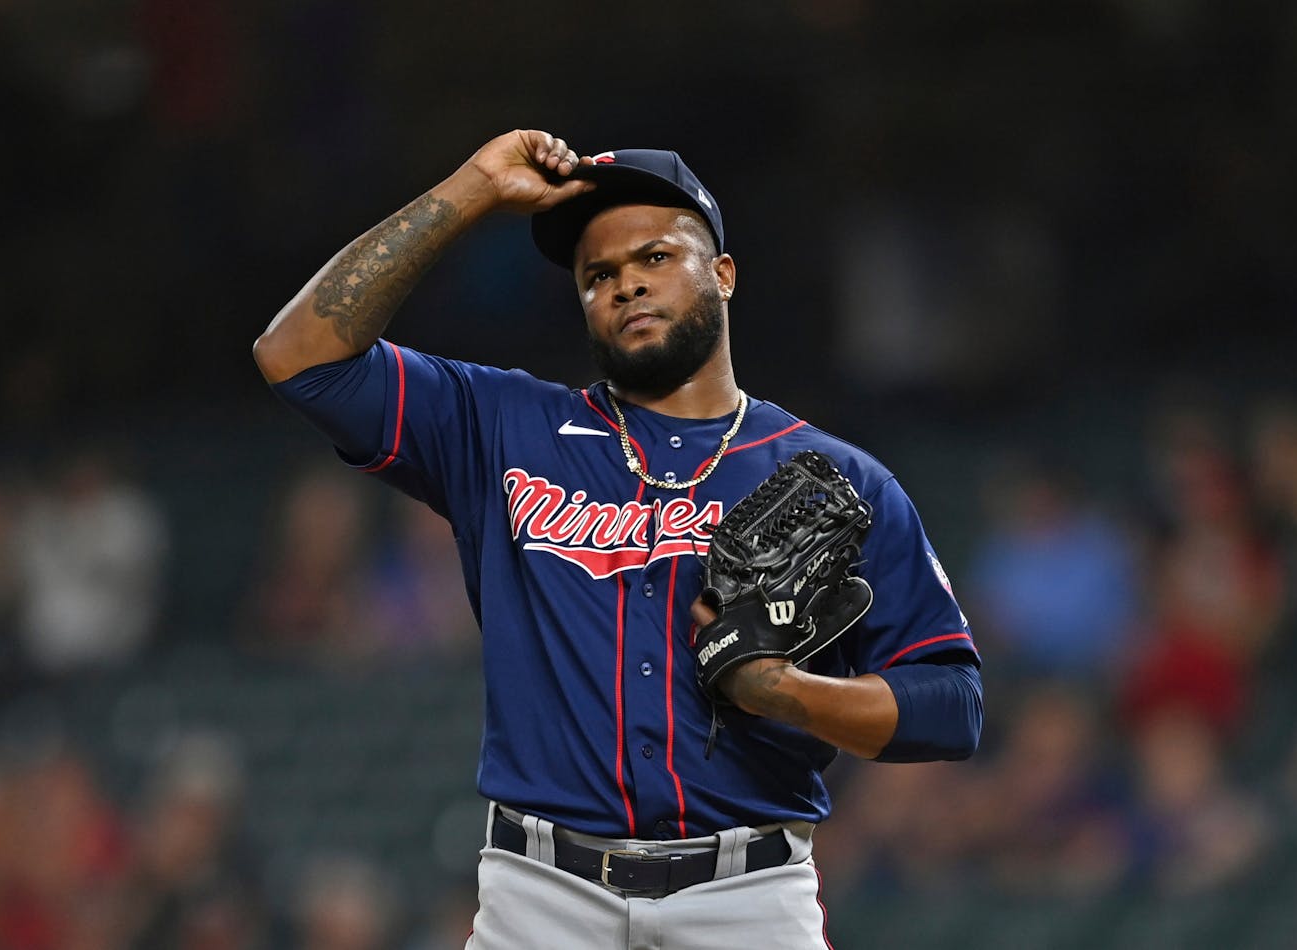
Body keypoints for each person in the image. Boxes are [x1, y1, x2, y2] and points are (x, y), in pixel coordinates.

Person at [253, 129, 983, 950]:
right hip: (541, 898)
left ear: (724, 274)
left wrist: (790, 695)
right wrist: (470, 191)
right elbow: (298, 356)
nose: (627, 283)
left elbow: (952, 706)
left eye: (658, 257)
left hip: (746, 898)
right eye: (599, 275)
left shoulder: (835, 477)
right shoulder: (503, 428)